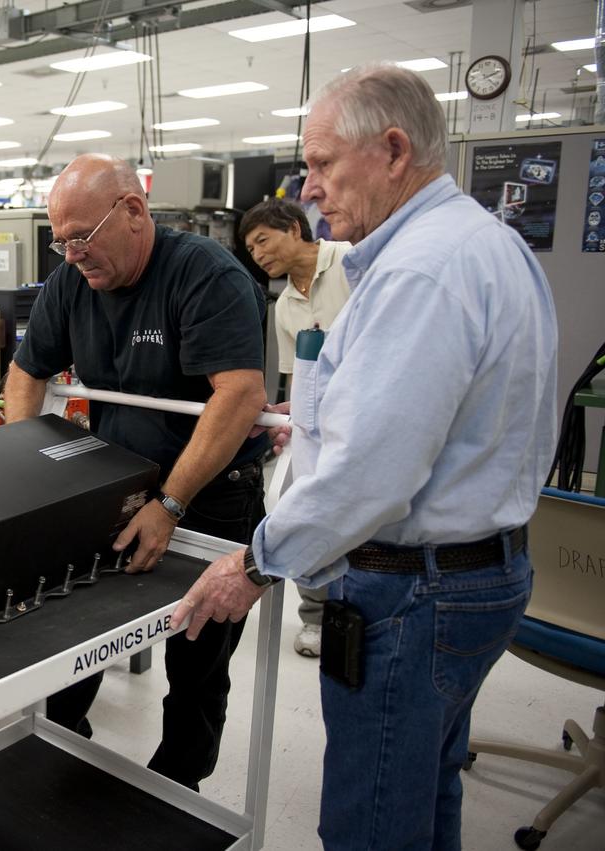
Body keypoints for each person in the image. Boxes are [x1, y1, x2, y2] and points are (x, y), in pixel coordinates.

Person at [174, 63, 557, 849]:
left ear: (391, 149)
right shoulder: (487, 242)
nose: (307, 189)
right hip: (480, 572)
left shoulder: (419, 272)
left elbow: (371, 475)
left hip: (416, 595)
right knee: (426, 790)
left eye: (320, 164)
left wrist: (254, 563)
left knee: (373, 821)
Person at [4, 154, 269, 790]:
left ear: (133, 212)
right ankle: (62, 743)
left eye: (81, 239)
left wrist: (171, 504)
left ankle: (179, 789)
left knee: (197, 653)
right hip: (116, 484)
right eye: (59, 241)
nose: (70, 256)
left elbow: (238, 394)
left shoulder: (204, 275)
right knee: (76, 631)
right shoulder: (71, 282)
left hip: (209, 495)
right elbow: (25, 373)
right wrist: (18, 463)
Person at [239, 197, 352, 657]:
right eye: (250, 250)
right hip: (320, 429)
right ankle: (317, 618)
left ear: (293, 228)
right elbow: (300, 380)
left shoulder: (349, 260)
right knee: (300, 509)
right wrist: (282, 414)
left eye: (263, 240)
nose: (259, 254)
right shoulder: (284, 306)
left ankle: (358, 610)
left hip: (367, 419)